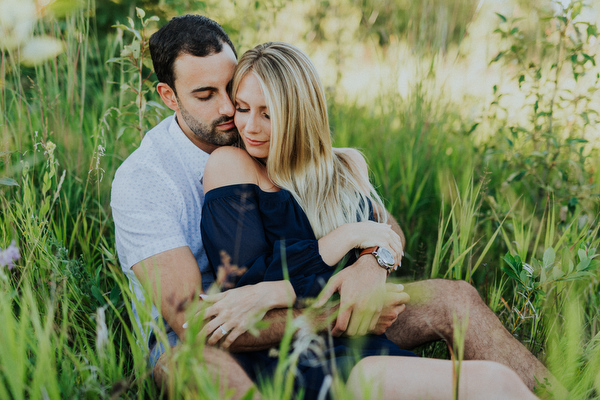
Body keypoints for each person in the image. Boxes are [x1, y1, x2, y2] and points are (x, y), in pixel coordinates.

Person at [110, 14, 557, 400]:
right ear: (169, 97)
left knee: (453, 298)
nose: (231, 110)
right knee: (210, 369)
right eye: (206, 96)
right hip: (205, 336)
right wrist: (335, 306)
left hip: (307, 303)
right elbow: (193, 322)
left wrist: (370, 265)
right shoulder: (146, 179)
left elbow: (384, 228)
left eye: (233, 89)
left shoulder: (270, 144)